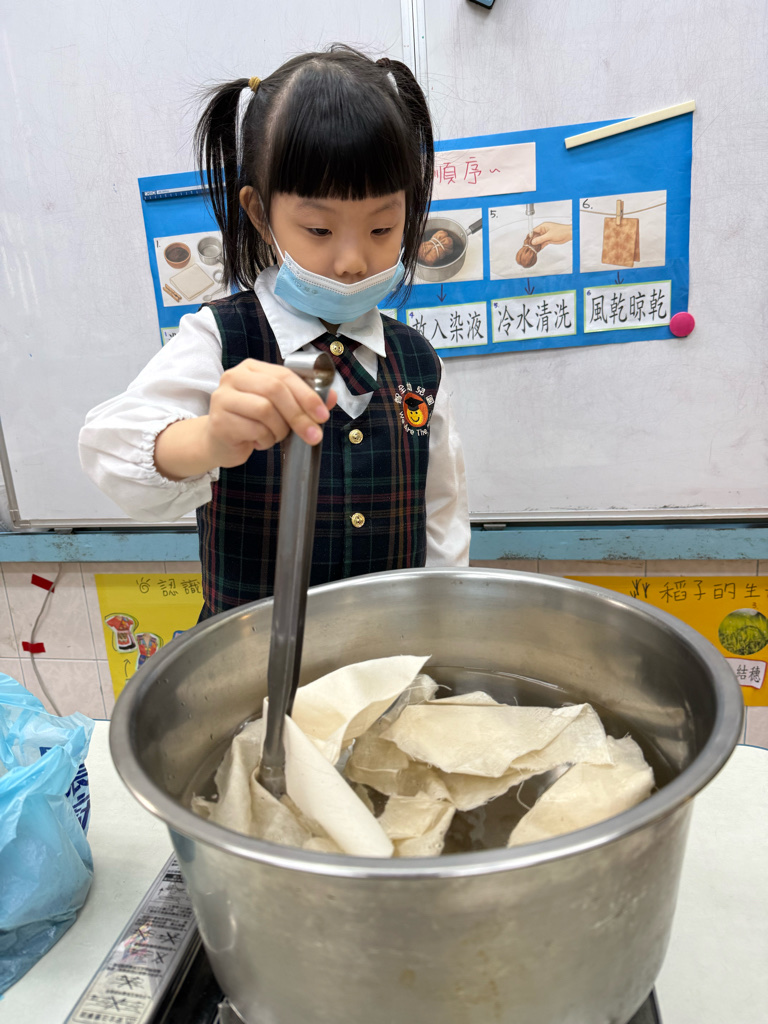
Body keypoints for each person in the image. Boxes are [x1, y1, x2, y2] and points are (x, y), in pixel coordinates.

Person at [79, 47, 470, 620]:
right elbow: (112, 447)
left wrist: (443, 631)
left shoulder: (418, 361)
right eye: (319, 229)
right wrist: (210, 439)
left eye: (383, 227)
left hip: (391, 653)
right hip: (253, 661)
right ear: (261, 215)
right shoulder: (220, 338)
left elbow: (442, 518)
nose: (353, 261)